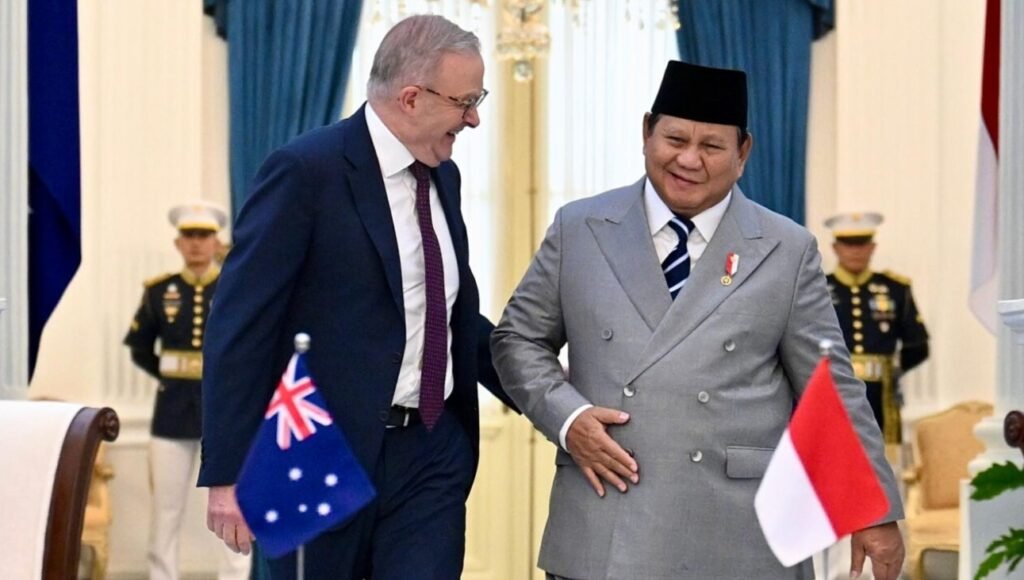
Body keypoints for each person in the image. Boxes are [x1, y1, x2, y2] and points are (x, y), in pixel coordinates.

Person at [491, 60, 905, 579]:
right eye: (674, 139)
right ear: (646, 133)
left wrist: (874, 509)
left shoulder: (785, 247)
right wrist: (568, 420)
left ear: (743, 153)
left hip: (738, 535)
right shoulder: (581, 227)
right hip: (606, 519)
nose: (689, 159)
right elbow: (517, 340)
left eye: (711, 146)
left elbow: (831, 386)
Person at [198, 14, 516, 580]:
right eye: (466, 101)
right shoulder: (305, 171)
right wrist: (226, 471)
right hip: (320, 453)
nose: (474, 118)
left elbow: (449, 315)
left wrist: (550, 392)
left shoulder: (444, 177)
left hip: (431, 453)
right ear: (413, 98)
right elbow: (240, 324)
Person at [124, 202, 251, 580]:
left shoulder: (234, 287)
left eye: (205, 236)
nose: (197, 244)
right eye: (190, 237)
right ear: (179, 243)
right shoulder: (159, 292)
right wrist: (168, 377)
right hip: (173, 409)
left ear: (217, 242)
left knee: (234, 506)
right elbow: (141, 347)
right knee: (166, 507)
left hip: (225, 411)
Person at [824, 212, 930, 444]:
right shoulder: (819, 288)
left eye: (862, 244)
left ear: (872, 247)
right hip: (831, 390)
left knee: (882, 463)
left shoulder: (895, 289)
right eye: (848, 244)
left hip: (881, 396)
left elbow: (918, 343)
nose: (855, 251)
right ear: (835, 248)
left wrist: (892, 369)